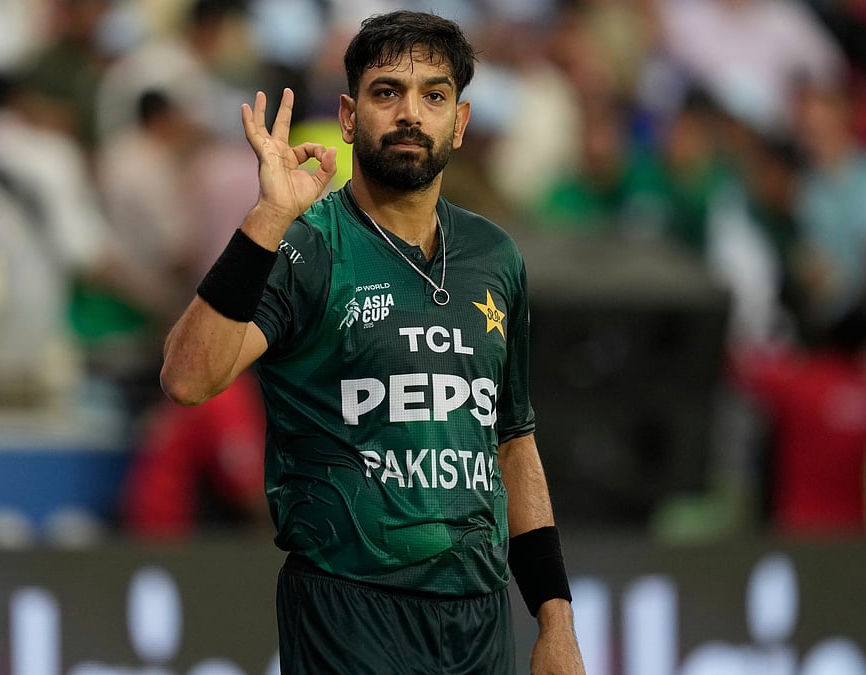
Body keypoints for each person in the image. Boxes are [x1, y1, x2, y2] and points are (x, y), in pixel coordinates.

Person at [160, 10, 585, 674]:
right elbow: (188, 378)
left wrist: (554, 619)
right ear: (351, 116)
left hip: (479, 615)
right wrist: (268, 217)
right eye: (387, 92)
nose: (410, 112)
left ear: (461, 122)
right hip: (349, 610)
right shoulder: (309, 245)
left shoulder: (495, 256)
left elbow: (513, 440)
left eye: (433, 95)